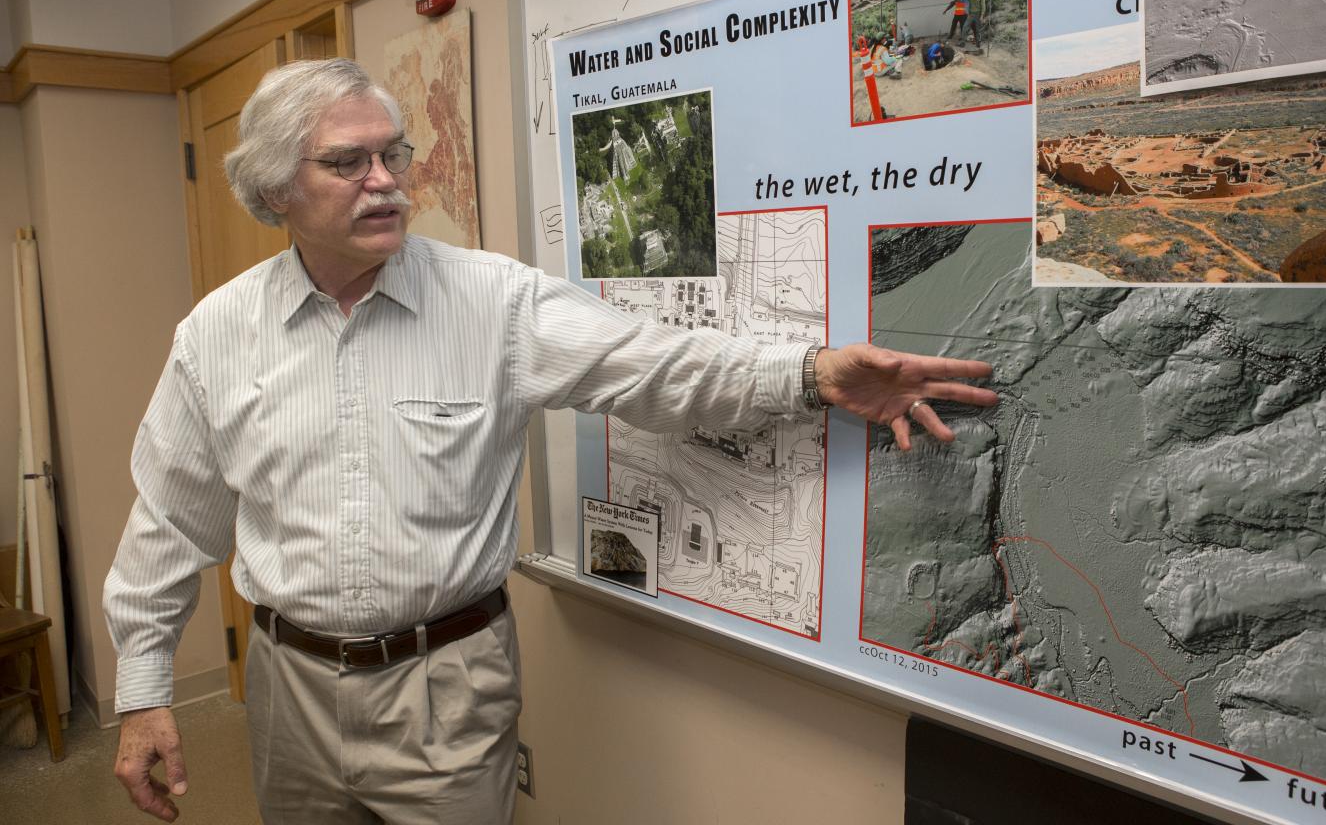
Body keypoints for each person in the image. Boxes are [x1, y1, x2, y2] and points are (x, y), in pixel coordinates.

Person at [103, 59, 998, 824]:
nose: (385, 180)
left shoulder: (493, 302)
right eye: (347, 161)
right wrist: (144, 693)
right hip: (287, 689)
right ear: (273, 190)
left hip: (445, 687)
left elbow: (657, 366)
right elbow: (170, 521)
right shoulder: (216, 335)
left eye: (393, 153)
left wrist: (812, 373)